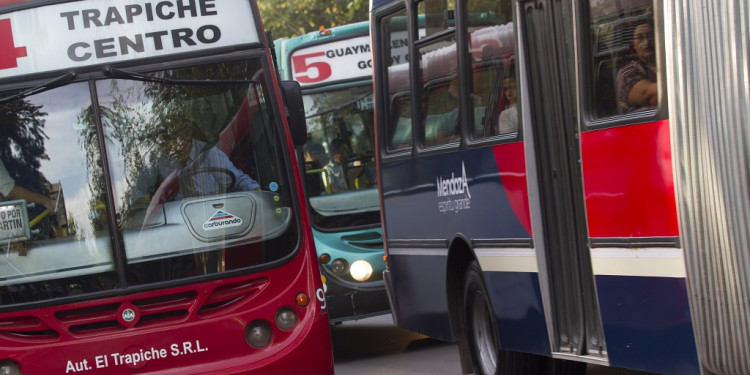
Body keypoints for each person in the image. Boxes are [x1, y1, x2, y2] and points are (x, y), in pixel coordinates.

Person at [616, 17, 657, 113]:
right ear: (634, 44)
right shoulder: (627, 73)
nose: (646, 42)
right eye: (640, 38)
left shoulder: (668, 65)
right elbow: (647, 93)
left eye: (650, 36)